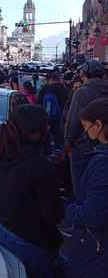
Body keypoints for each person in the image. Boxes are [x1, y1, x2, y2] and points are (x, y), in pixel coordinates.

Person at [0, 105, 63, 278]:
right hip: (32, 239)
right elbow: (54, 214)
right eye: (46, 127)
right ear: (36, 133)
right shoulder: (38, 166)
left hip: (4, 228)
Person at [59, 98, 108, 277]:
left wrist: (66, 208)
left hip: (97, 250)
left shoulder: (102, 163)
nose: (86, 134)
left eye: (87, 128)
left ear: (99, 125)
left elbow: (93, 215)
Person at [64, 59, 108, 195]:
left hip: (83, 147)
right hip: (104, 143)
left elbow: (73, 121)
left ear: (84, 74)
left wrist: (68, 142)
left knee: (81, 186)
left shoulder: (82, 92)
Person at [37, 72, 69, 148]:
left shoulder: (45, 89)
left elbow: (38, 104)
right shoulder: (65, 89)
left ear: (49, 80)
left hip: (47, 119)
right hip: (62, 119)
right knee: (59, 138)